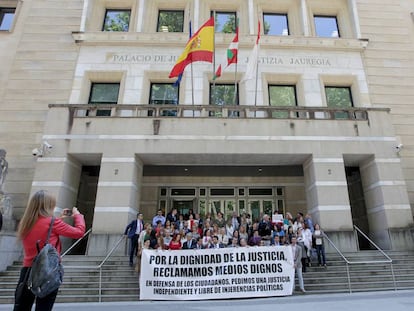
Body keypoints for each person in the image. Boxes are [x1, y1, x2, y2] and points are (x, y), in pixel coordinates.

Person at [13, 190, 85, 311]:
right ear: (48, 205)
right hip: (48, 272)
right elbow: (79, 232)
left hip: (27, 271)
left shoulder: (25, 223)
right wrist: (78, 216)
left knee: (22, 307)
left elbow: (43, 232)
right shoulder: (52, 222)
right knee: (44, 308)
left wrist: (59, 220)